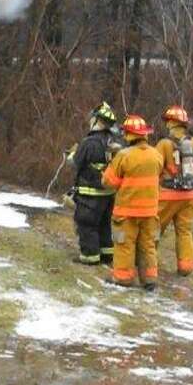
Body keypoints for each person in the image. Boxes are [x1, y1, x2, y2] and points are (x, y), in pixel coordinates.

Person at [102, 115, 164, 290]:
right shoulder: (156, 155)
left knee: (124, 245)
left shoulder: (123, 155)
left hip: (127, 212)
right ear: (144, 134)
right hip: (150, 212)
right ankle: (150, 279)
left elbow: (109, 182)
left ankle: (123, 278)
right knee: (148, 246)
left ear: (128, 135)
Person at [154, 105, 193, 277]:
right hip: (190, 195)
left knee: (154, 230)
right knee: (185, 232)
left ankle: (147, 264)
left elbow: (154, 166)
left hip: (167, 195)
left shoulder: (164, 144)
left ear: (171, 123)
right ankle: (185, 267)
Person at [68, 102, 123, 266]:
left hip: (89, 194)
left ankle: (90, 256)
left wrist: (71, 155)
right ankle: (107, 254)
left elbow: (76, 162)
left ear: (97, 120)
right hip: (108, 194)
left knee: (87, 224)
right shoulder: (113, 142)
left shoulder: (89, 142)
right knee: (104, 224)